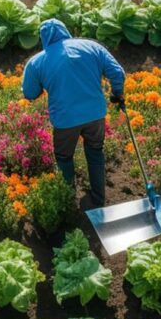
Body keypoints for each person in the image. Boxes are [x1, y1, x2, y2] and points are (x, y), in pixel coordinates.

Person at [21, 18, 125, 208]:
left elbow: (29, 93)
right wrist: (117, 93)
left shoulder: (37, 62)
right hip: (95, 115)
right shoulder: (92, 47)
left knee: (64, 157)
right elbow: (118, 73)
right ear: (65, 30)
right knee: (95, 151)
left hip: (65, 120)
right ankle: (98, 199)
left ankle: (68, 201)